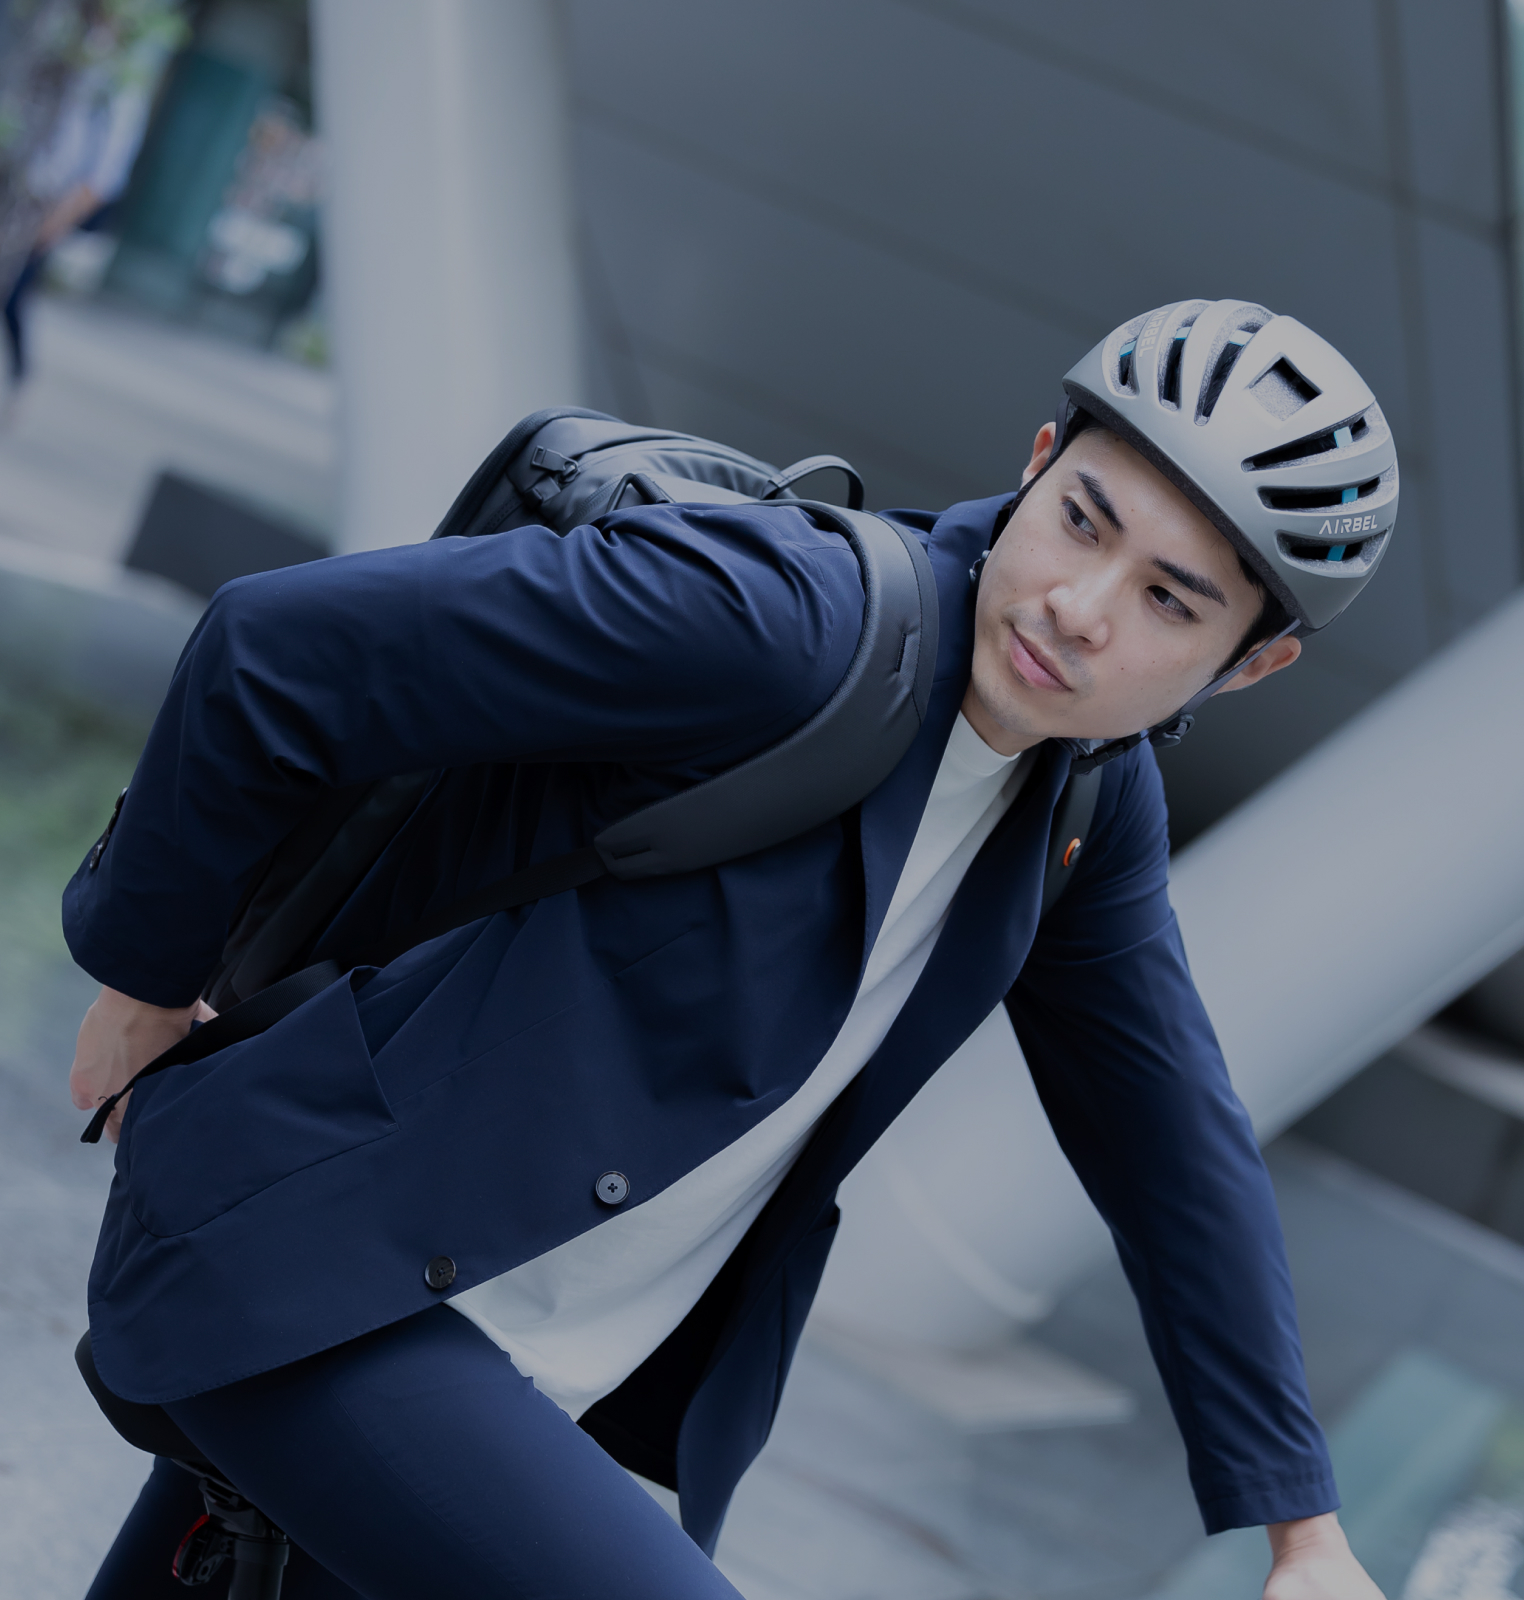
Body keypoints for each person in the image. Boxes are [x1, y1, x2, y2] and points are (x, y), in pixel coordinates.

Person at [67, 299, 1397, 1599]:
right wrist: (144, 989)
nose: (1079, 608)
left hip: (512, 1352)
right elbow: (276, 648)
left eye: (1169, 600)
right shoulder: (794, 621)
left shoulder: (1085, 803)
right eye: (1083, 523)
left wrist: (1306, 1533)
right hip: (312, 1271)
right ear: (1039, 462)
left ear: (1249, 665)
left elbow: (1169, 1139)